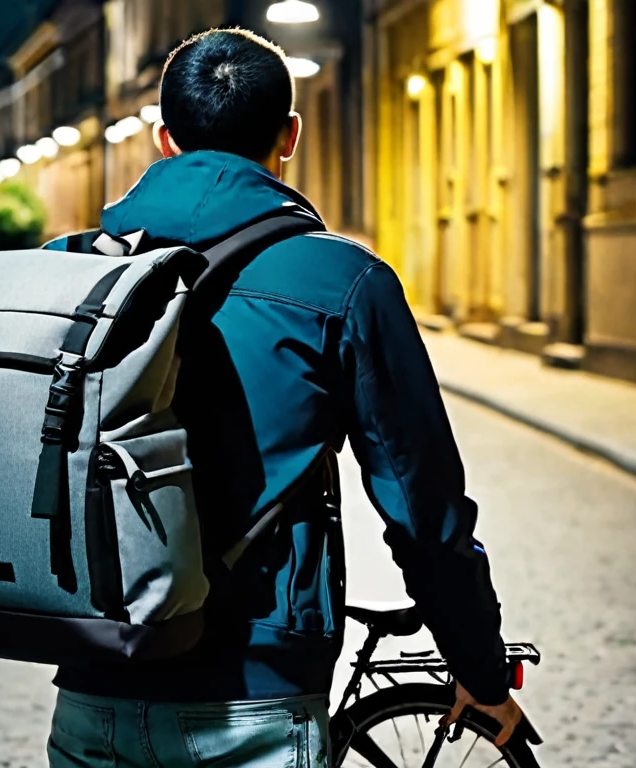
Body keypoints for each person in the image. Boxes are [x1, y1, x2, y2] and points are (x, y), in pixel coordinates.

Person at [43, 27, 522, 767]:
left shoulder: (69, 273)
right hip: (253, 700)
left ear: (164, 141)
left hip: (93, 692)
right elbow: (423, 501)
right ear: (289, 135)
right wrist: (479, 667)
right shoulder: (341, 282)